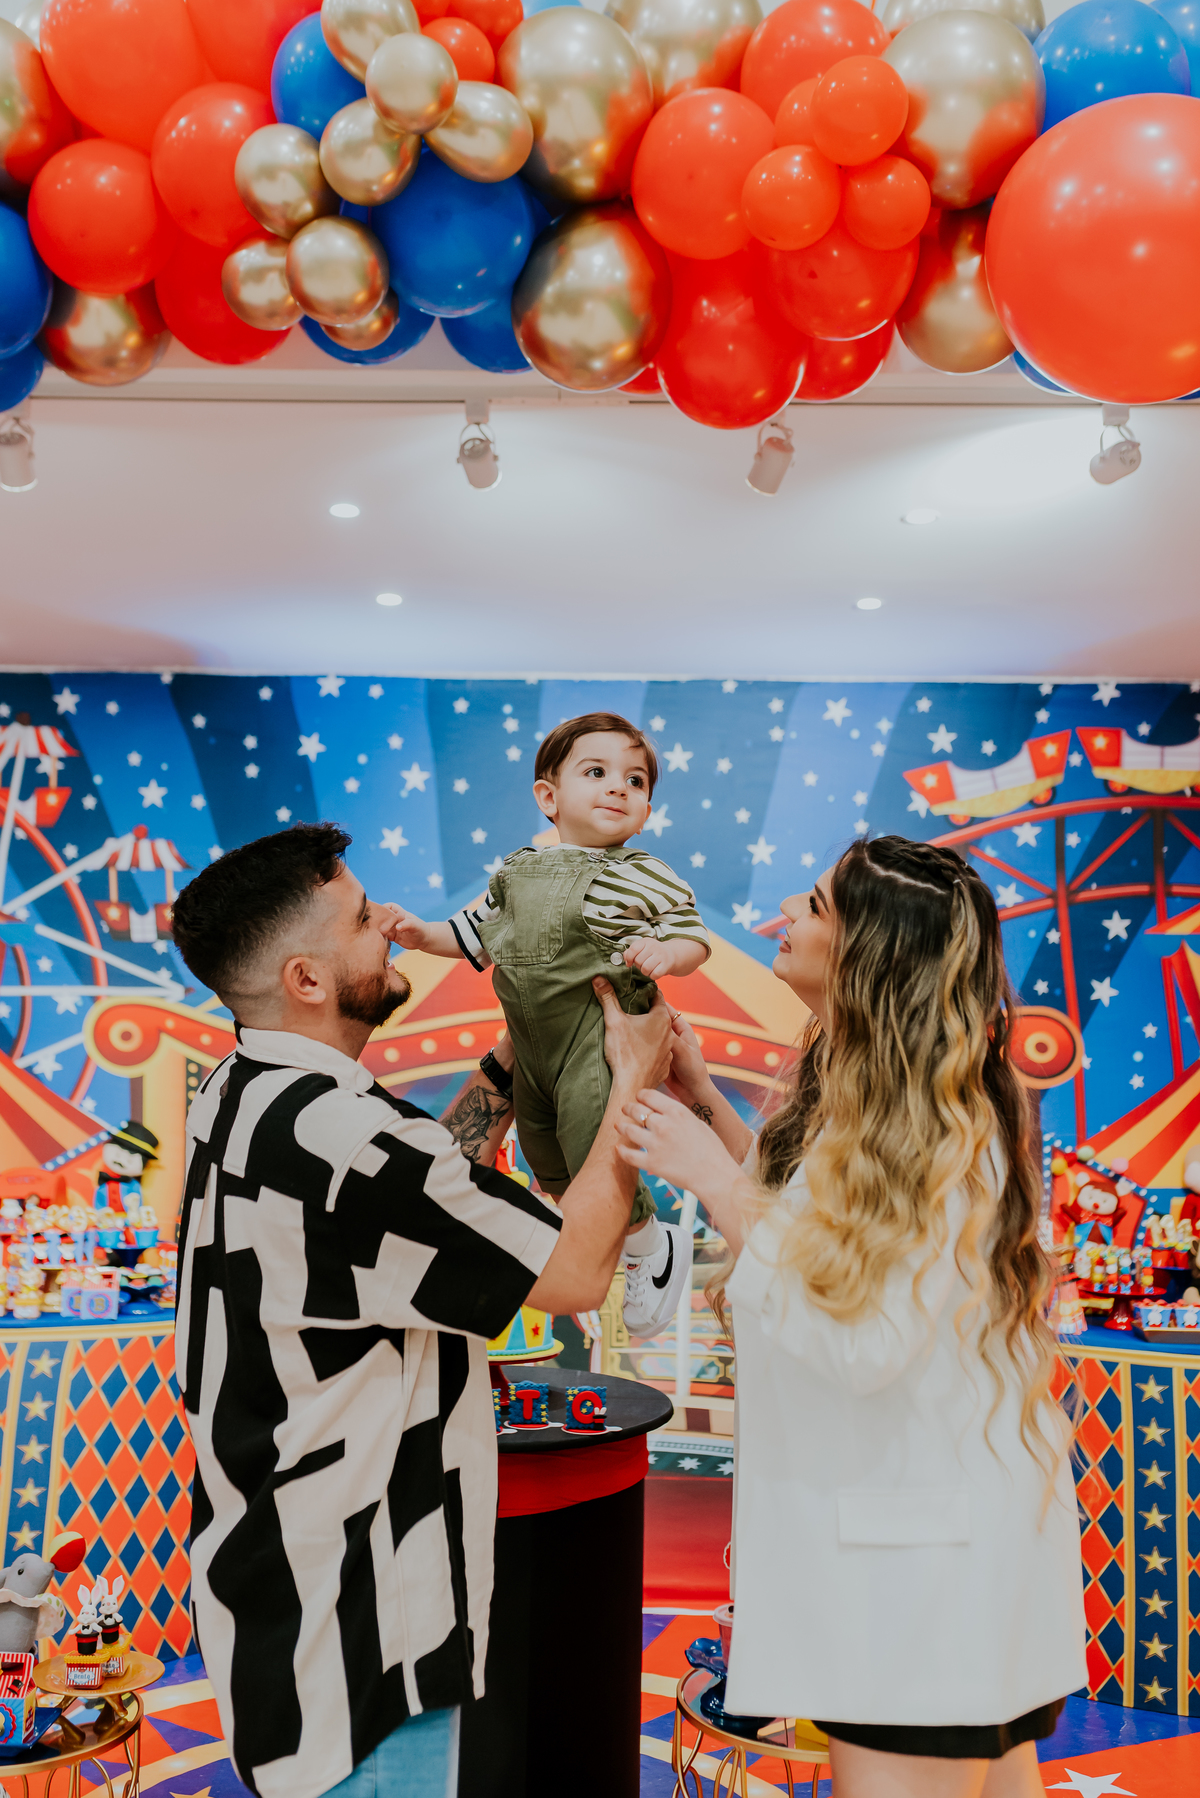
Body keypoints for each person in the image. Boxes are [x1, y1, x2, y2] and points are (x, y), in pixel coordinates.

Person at [169, 822, 671, 1798]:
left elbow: (406, 1218)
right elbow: (570, 1274)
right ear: (309, 978)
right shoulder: (343, 1136)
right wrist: (630, 1077)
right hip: (357, 1636)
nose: (389, 929)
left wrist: (504, 1068)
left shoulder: (244, 1092)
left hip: (278, 1596)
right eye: (363, 920)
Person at [615, 836, 1087, 1798]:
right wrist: (707, 1105)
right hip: (937, 1562)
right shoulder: (896, 1103)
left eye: (820, 904)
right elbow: (820, 1232)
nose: (789, 905)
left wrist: (710, 1183)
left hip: (917, 1579)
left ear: (869, 953)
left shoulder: (934, 1128)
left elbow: (862, 1340)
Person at [386, 712, 709, 1341]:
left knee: (597, 1141)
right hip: (533, 1047)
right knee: (546, 1155)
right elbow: (472, 931)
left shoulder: (643, 874)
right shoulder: (515, 871)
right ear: (548, 797)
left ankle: (649, 1243)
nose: (619, 788)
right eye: (597, 773)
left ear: (646, 809)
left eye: (636, 781)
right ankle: (595, 1238)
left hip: (596, 1037)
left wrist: (665, 955)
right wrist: (423, 935)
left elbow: (691, 937)